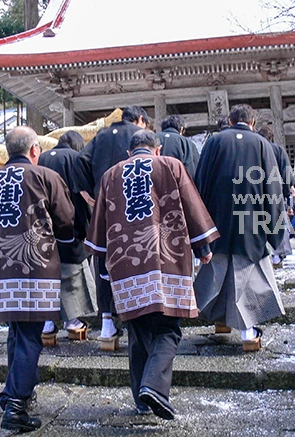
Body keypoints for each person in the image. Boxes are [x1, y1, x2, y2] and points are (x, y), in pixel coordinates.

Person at [86, 130, 219, 420]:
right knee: (167, 329)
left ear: (129, 153)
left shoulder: (111, 174)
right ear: (157, 150)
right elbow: (191, 207)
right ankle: (154, 387)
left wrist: (104, 266)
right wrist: (203, 248)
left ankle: (142, 400)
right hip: (165, 261)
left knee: (137, 330)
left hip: (125, 264)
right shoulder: (170, 166)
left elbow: (98, 231)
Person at [0, 127, 75, 432]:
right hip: (35, 267)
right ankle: (16, 405)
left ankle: (12, 395)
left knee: (17, 333)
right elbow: (66, 220)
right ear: (34, 149)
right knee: (30, 334)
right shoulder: (44, 176)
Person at [194, 104, 286, 350]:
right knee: (246, 275)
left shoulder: (214, 142)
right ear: (253, 122)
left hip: (217, 217)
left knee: (218, 272)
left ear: (231, 121)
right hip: (252, 216)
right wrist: (276, 231)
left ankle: (221, 321)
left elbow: (199, 184)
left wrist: (198, 228)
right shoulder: (261, 144)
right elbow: (273, 189)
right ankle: (247, 332)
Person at [76, 105, 151, 343]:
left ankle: (107, 323)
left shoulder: (102, 135)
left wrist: (88, 191)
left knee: (104, 260)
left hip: (104, 205)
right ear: (140, 120)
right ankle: (138, 320)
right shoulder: (138, 137)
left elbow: (81, 159)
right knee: (136, 257)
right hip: (133, 206)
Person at [38, 131, 97, 340]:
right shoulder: (76, 158)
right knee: (72, 274)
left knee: (47, 275)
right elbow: (84, 194)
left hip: (43, 226)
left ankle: (46, 324)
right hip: (70, 224)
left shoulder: (42, 158)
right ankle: (72, 321)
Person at [258, 125, 295, 267]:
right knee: (278, 221)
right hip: (275, 191)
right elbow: (286, 172)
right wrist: (287, 192)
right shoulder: (278, 150)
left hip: (258, 192)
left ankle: (264, 254)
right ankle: (279, 253)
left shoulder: (256, 149)